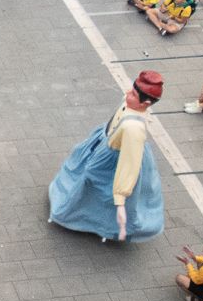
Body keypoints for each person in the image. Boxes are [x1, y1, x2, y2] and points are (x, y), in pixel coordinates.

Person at [49, 69, 166, 242]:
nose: (127, 94)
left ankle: (88, 219)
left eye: (133, 94)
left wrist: (120, 198)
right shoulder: (131, 105)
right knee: (89, 182)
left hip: (112, 158)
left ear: (146, 102)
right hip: (106, 146)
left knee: (95, 186)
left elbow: (129, 165)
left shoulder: (134, 129)